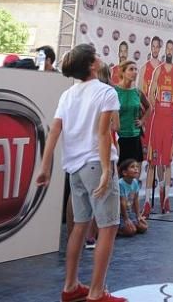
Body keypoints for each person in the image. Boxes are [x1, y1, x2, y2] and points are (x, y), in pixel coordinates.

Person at [36, 43, 125, 302]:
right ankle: (96, 292)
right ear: (91, 65)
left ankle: (70, 285)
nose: (99, 57)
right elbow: (103, 133)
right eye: (95, 55)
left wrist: (45, 166)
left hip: (74, 167)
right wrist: (108, 169)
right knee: (108, 227)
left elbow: (54, 131)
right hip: (96, 163)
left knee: (79, 226)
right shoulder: (106, 93)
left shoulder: (68, 95)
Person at [145, 39, 173, 214]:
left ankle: (165, 199)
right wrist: (156, 107)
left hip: (168, 122)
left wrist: (172, 107)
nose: (168, 51)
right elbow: (150, 92)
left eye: (170, 49)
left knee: (166, 163)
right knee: (152, 162)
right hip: (157, 121)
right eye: (166, 49)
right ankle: (146, 202)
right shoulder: (158, 70)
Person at [114, 61, 146, 165]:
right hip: (119, 137)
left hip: (134, 137)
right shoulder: (114, 91)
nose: (135, 72)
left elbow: (149, 108)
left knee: (134, 170)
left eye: (136, 69)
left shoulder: (137, 92)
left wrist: (142, 121)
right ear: (123, 72)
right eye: (131, 69)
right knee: (118, 171)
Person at [117, 159, 147, 238]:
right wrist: (126, 219)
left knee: (144, 227)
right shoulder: (120, 183)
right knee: (131, 231)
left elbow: (136, 200)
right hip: (120, 214)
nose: (136, 169)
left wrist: (138, 215)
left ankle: (130, 224)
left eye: (137, 166)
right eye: (132, 167)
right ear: (124, 172)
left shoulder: (135, 182)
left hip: (130, 212)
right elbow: (122, 203)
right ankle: (117, 230)